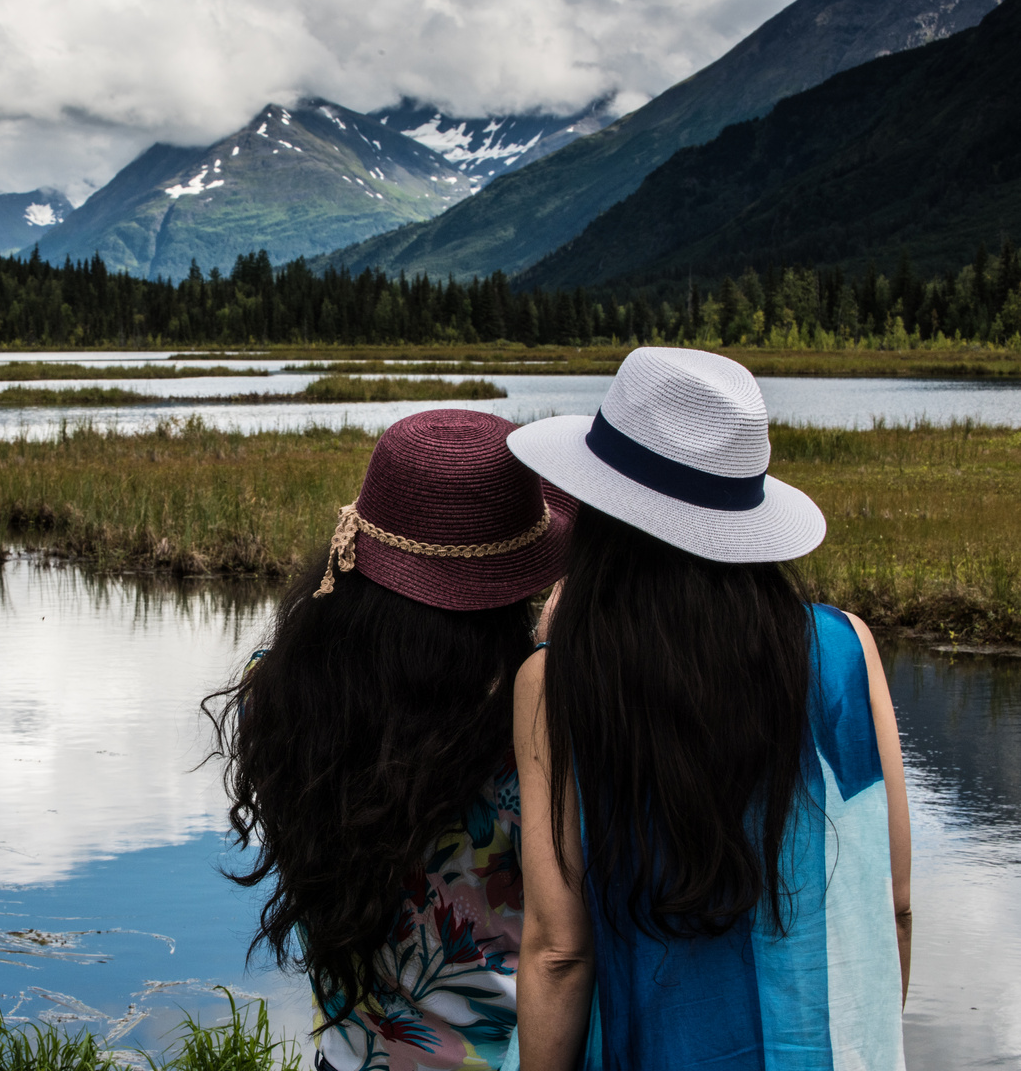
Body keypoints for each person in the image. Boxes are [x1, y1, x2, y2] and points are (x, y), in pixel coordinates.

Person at [504, 347, 912, 1070]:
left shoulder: (557, 682)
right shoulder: (847, 649)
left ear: (599, 510)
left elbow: (559, 952)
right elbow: (894, 904)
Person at [207, 409, 578, 1071]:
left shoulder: (283, 697)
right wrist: (552, 652)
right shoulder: (528, 745)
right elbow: (566, 946)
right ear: (510, 593)